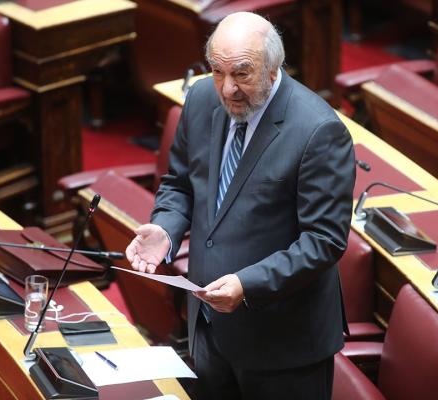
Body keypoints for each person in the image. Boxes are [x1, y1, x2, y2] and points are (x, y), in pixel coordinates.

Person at [125, 11, 355, 400]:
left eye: (242, 74)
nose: (228, 88)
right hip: (209, 326)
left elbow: (323, 241)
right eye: (218, 71)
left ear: (273, 69)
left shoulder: (318, 131)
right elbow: (180, 183)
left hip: (283, 346)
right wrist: (166, 227)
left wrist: (248, 285)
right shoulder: (201, 99)